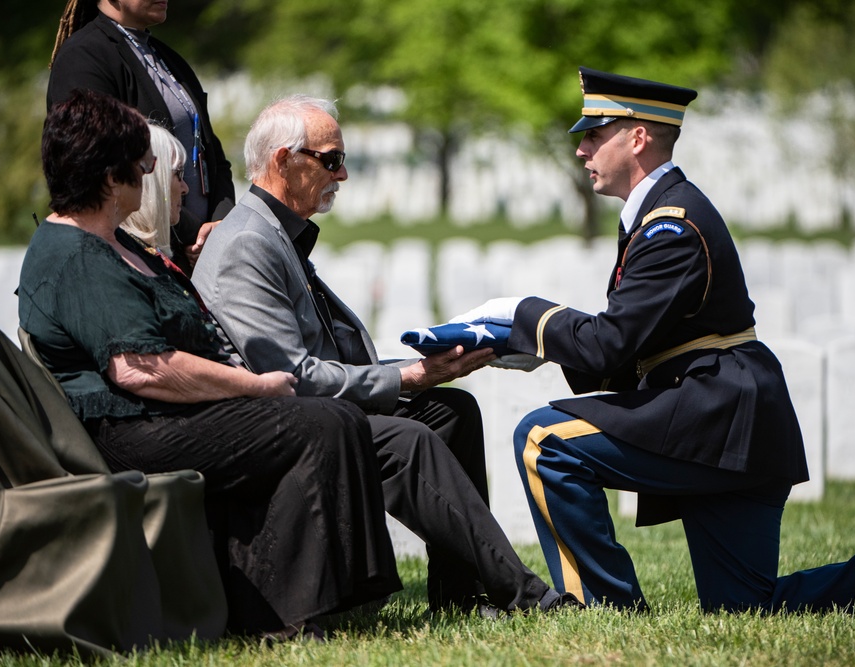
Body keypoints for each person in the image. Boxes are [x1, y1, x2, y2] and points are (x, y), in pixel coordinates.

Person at [450, 67, 855, 613]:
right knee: (746, 606)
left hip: (716, 415)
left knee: (544, 441)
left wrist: (522, 314)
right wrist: (532, 350)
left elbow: (610, 345)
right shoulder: (662, 215)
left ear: (638, 137)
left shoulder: (671, 225)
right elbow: (635, 349)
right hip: (735, 422)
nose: (582, 150)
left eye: (594, 135)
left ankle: (602, 606)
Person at [19, 89, 402, 640]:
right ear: (109, 176)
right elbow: (141, 368)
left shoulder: (112, 242)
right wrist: (253, 386)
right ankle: (285, 619)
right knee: (320, 422)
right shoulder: (74, 254)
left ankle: (309, 603)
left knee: (318, 420)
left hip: (156, 417)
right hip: (129, 430)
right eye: (145, 163)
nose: (159, 174)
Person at [192, 94, 576, 616]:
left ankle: (457, 598)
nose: (343, 174)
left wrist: (418, 371)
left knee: (453, 412)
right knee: (410, 439)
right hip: (287, 422)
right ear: (283, 160)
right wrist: (407, 377)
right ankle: (524, 594)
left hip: (319, 407)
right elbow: (291, 375)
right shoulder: (246, 243)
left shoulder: (275, 232)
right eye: (330, 159)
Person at [47, 0, 235, 274]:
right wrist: (196, 235)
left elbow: (213, 156)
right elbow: (103, 173)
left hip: (196, 253)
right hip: (134, 259)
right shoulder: (83, 58)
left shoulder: (168, 59)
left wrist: (221, 222)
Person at [121, 122, 189, 257]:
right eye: (178, 174)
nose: (185, 189)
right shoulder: (129, 257)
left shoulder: (133, 250)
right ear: (151, 180)